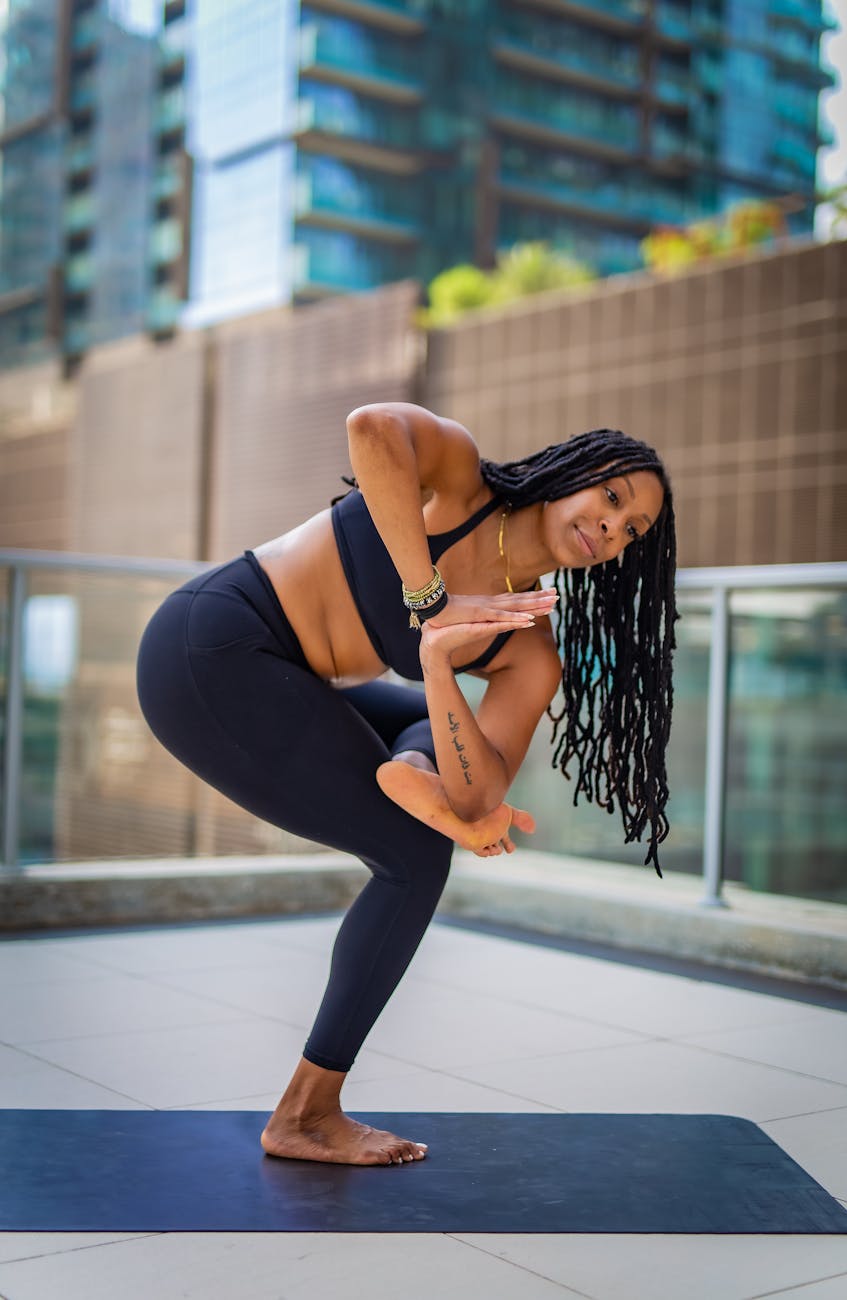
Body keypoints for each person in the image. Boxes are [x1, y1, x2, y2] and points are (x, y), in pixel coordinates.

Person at [136, 401, 677, 1169]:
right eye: (613, 499)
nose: (613, 530)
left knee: (448, 792)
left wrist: (435, 664)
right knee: (416, 859)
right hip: (212, 649)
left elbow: (480, 794)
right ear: (576, 474)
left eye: (633, 532)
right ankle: (306, 1115)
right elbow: (370, 428)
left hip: (296, 680)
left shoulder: (528, 648)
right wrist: (429, 602)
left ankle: (414, 766)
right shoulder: (458, 481)